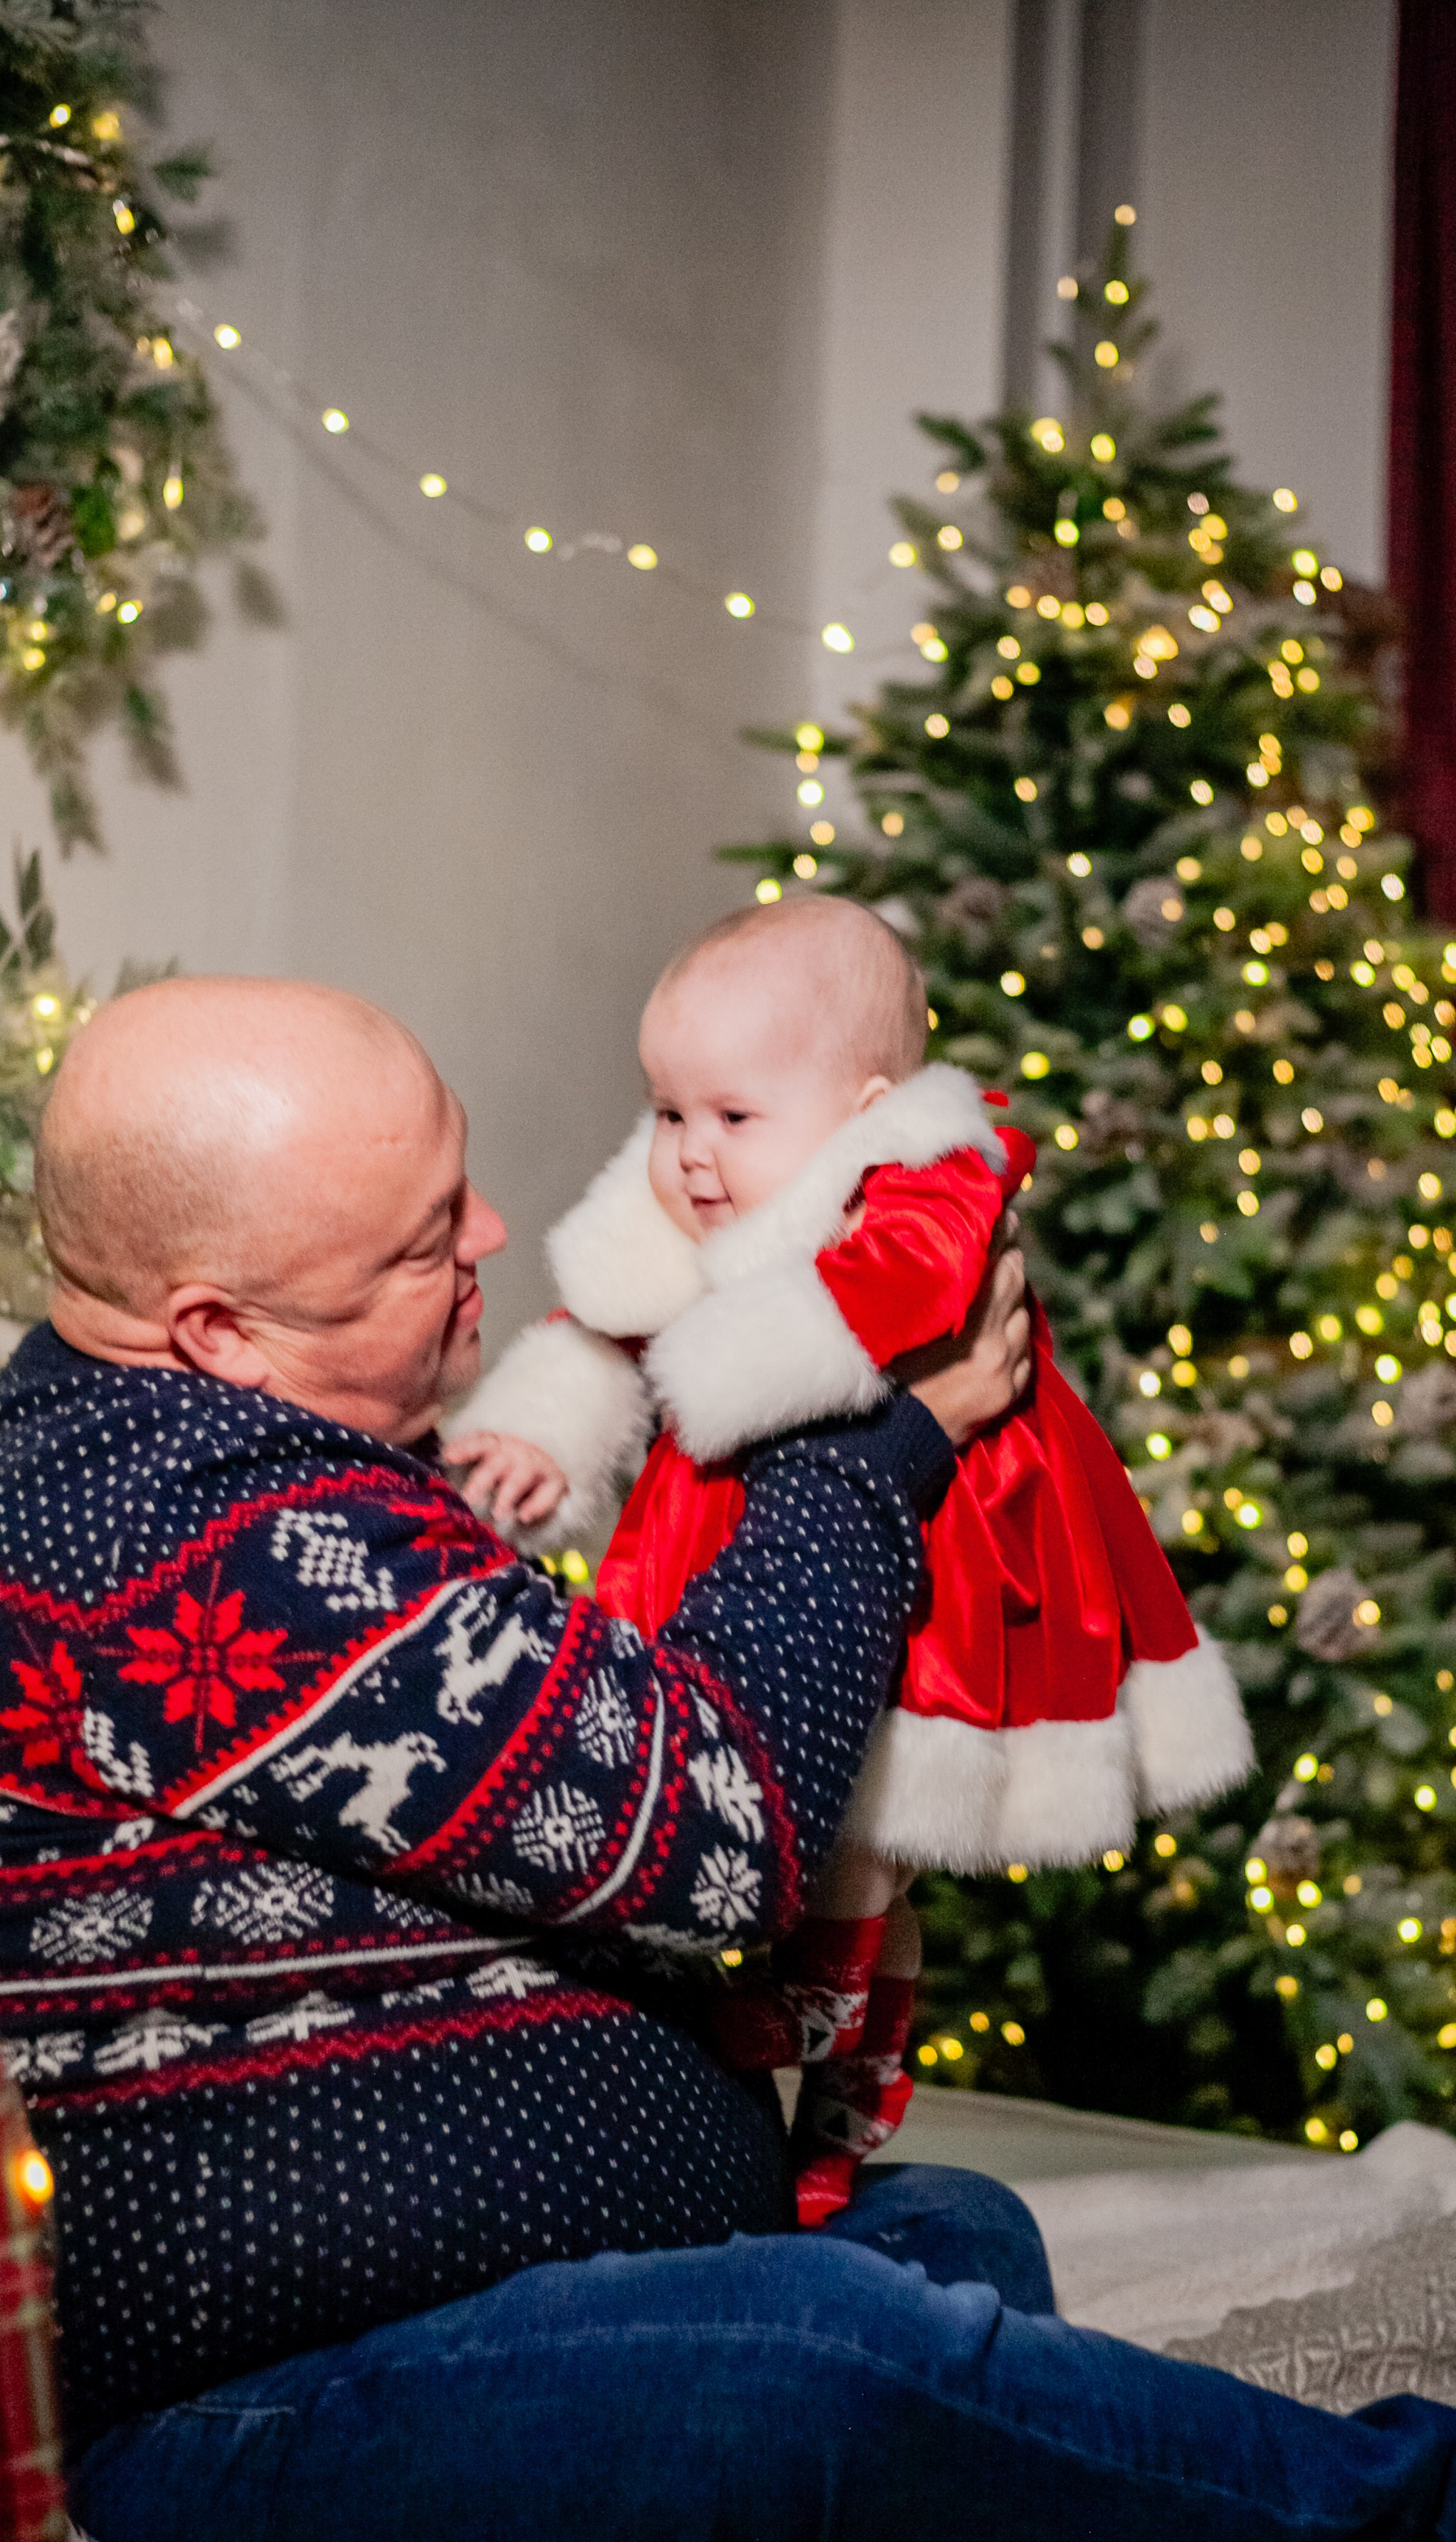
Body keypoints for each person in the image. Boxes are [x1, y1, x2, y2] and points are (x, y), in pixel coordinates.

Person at [0, 977, 1456, 2542]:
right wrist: (866, 1452)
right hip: (240, 2427)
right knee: (826, 2365)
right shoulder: (212, 1544)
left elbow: (504, 1745)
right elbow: (712, 1828)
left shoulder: (142, 1433)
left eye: (459, 1186)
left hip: (396, 2309)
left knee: (950, 2226)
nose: (490, 1241)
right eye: (423, 1241)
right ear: (216, 1326)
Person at [448, 898, 1252, 2219]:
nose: (692, 1157)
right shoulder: (706, 1205)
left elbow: (907, 1294)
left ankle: (824, 2002)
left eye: (734, 1118)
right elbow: (606, 1322)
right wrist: (548, 1431)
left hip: (937, 1553)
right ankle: (852, 2070)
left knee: (868, 1805)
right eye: (668, 1113)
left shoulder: (930, 1173)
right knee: (813, 1800)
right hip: (768, 1529)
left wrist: (705, 1358)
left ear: (867, 1105)